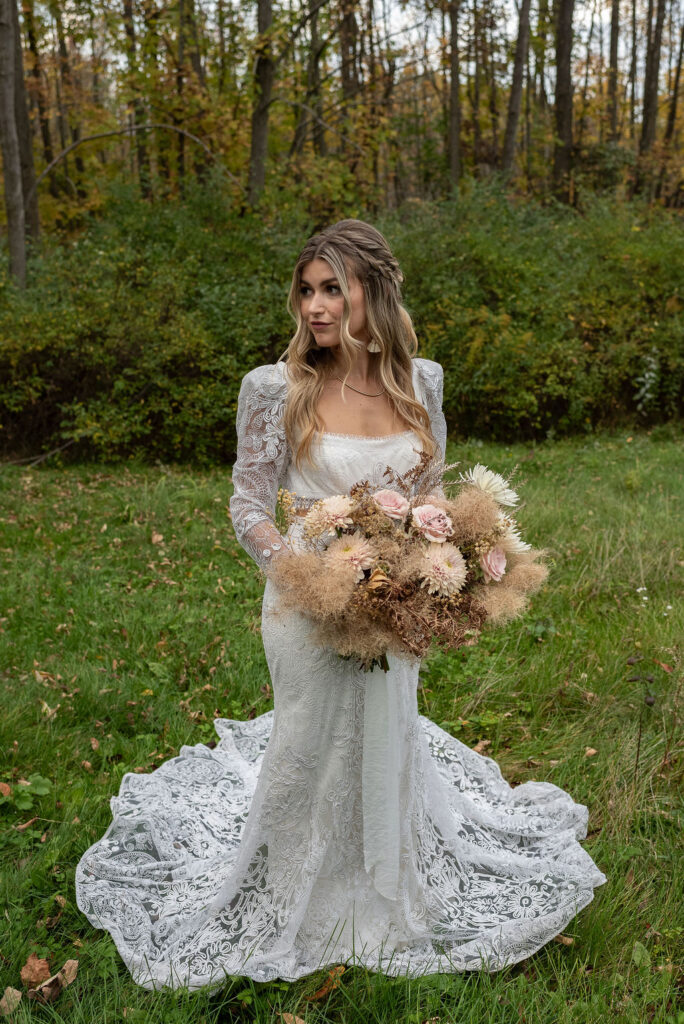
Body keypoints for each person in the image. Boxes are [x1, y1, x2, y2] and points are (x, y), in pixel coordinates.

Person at [75, 219, 606, 991]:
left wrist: (432, 564)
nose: (314, 306)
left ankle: (386, 883)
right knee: (308, 742)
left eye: (332, 288)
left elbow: (429, 494)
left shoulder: (421, 382)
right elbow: (247, 504)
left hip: (390, 599)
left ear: (374, 292)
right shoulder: (275, 388)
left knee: (386, 733)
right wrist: (302, 575)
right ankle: (293, 887)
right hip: (307, 599)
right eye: (307, 289)